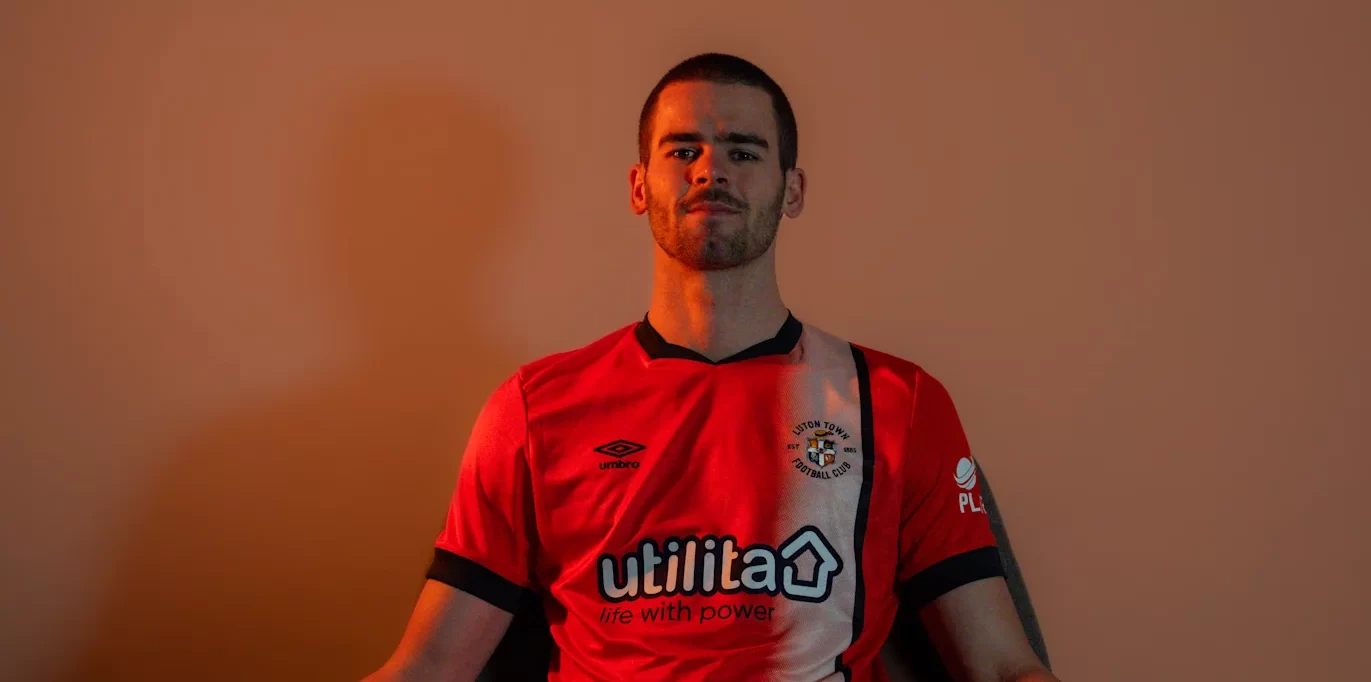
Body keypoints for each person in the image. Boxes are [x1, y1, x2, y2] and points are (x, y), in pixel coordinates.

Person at [363, 53, 1058, 682]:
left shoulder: (897, 403)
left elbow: (1001, 667)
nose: (709, 170)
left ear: (792, 190)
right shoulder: (533, 409)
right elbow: (429, 666)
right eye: (683, 150)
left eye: (743, 151)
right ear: (639, 186)